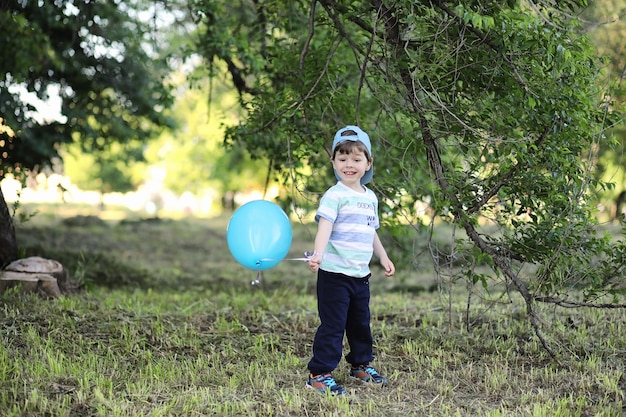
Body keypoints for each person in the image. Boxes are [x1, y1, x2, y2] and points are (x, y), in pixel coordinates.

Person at [305, 125, 395, 396]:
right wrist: (318, 253)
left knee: (360, 323)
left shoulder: (370, 198)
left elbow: (371, 232)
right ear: (333, 162)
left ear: (368, 163)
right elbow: (325, 227)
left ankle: (361, 365)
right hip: (334, 275)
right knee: (333, 326)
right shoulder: (335, 195)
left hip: (360, 276)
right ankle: (319, 374)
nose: (349, 164)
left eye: (356, 159)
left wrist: (383, 256)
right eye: (342, 158)